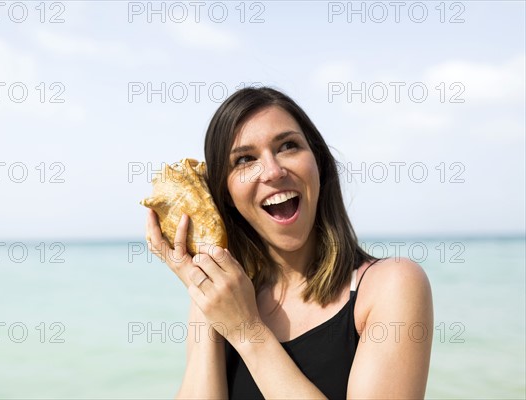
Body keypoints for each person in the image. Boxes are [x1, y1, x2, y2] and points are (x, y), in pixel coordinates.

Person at [146, 87, 433, 399]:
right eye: (244, 159)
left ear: (319, 164)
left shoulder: (392, 285)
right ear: (225, 195)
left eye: (287, 146)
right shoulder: (226, 297)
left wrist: (248, 332)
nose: (272, 171)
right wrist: (203, 288)